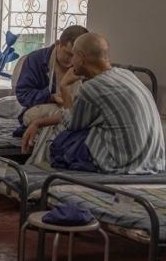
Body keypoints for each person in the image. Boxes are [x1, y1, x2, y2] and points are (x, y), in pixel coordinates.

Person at [22, 32, 166, 174]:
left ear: (82, 58)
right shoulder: (126, 74)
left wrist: (64, 86)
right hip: (153, 160)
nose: (71, 62)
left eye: (74, 56)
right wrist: (39, 122)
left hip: (122, 162)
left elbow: (70, 124)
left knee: (61, 141)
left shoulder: (93, 88)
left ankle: (42, 168)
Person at [14, 25, 89, 126]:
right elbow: (23, 95)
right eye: (68, 54)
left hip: (78, 110)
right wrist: (50, 97)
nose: (71, 60)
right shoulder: (36, 60)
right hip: (48, 107)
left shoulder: (87, 64)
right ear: (58, 43)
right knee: (31, 115)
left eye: (75, 56)